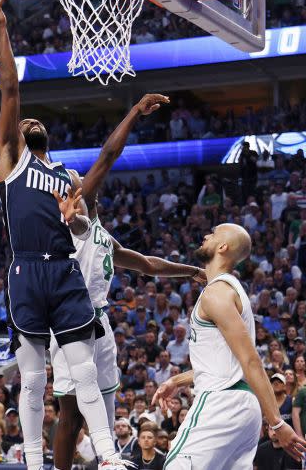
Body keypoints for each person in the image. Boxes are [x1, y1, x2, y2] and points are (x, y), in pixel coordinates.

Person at [0, 0, 125, 470]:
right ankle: (35, 462)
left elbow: (87, 221)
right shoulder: (10, 159)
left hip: (64, 272)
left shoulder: (68, 175)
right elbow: (10, 90)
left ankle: (107, 455)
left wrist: (78, 217)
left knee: (83, 369)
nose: (29, 119)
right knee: (33, 378)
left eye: (34, 121)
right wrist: (2, 28)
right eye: (24, 121)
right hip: (26, 270)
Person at [50, 93, 205, 470]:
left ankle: (108, 461)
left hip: (99, 323)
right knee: (70, 415)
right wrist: (135, 112)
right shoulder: (72, 224)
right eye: (74, 181)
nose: (79, 181)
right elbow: (107, 156)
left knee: (105, 400)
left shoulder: (102, 234)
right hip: (71, 322)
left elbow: (148, 264)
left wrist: (190, 271)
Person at [152, 224, 306, 469]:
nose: (205, 235)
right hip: (244, 407)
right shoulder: (232, 290)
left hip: (221, 403)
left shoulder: (216, 294)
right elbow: (229, 363)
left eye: (212, 233)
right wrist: (176, 381)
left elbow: (250, 360)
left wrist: (277, 422)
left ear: (222, 247)